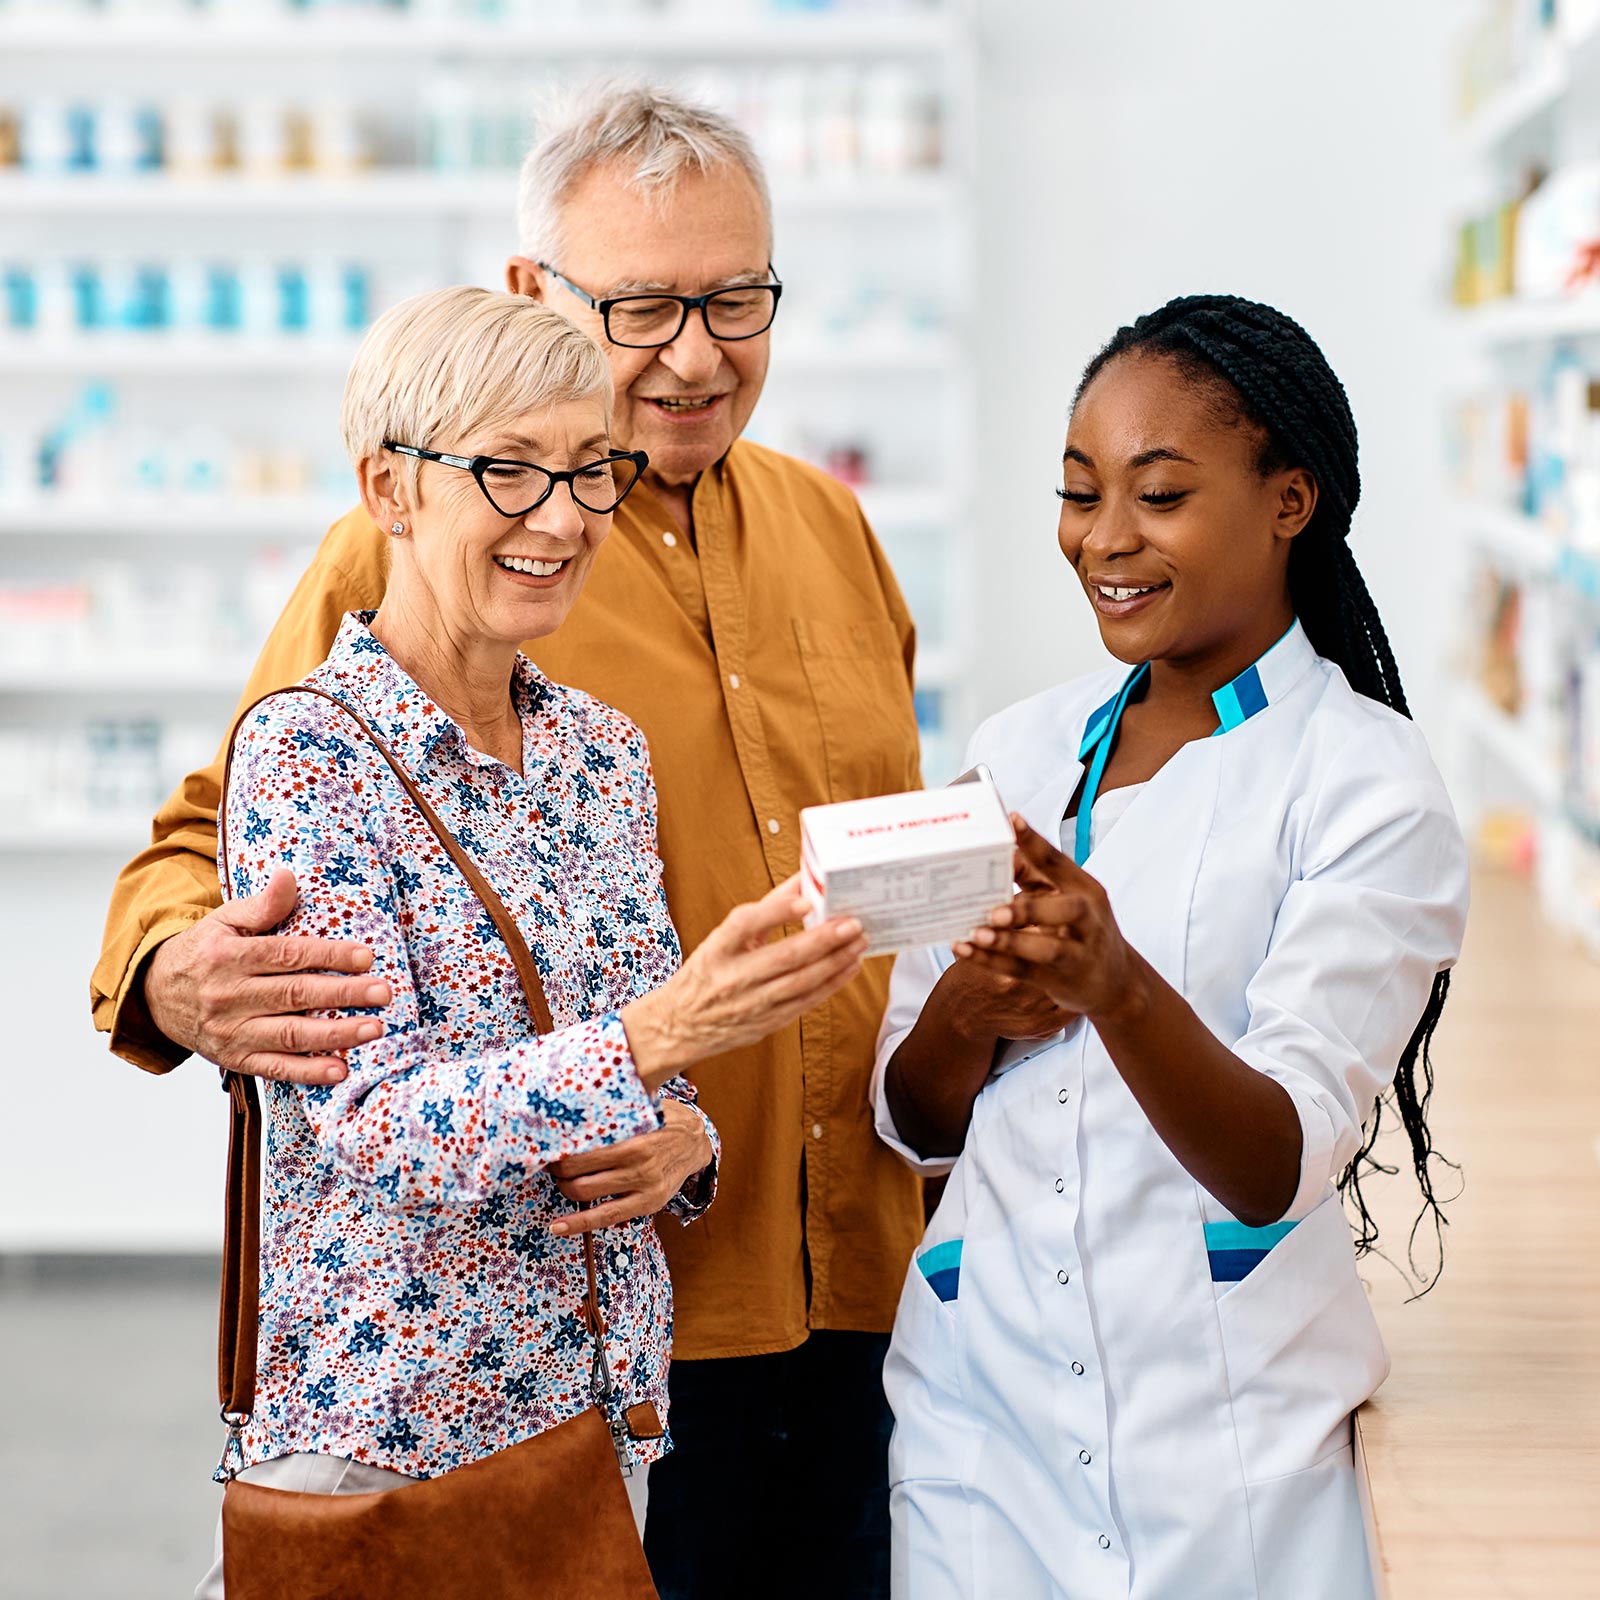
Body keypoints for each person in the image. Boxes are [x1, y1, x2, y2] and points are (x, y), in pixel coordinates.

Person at [93, 84, 924, 1597]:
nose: (695, 351)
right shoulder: (416, 543)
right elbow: (216, 831)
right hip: (535, 1342)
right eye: (648, 303)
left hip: (847, 1283)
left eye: (735, 298)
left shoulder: (835, 531)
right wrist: (168, 976)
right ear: (535, 291)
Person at [873, 295, 1470, 1600]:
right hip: (984, 1428)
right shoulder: (1018, 755)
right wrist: (976, 1000)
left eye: (1159, 495)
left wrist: (1114, 984)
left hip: (1228, 1449)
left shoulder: (1367, 785)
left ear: (1289, 501)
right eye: (1080, 493)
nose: (1104, 540)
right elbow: (917, 1121)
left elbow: (1278, 1162)